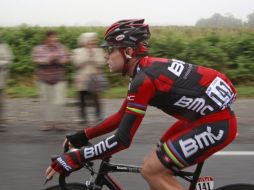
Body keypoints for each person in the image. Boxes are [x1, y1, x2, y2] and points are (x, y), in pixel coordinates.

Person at [45, 19, 237, 190]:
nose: (105, 56)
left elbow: (122, 139)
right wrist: (82, 136)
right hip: (200, 119)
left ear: (128, 52)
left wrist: (77, 157)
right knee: (151, 165)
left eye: (110, 49)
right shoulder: (143, 71)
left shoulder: (144, 79)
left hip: (215, 124)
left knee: (152, 171)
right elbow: (121, 117)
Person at [32, 30, 70, 131]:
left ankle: (59, 122)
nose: (55, 39)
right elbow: (35, 59)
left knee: (60, 101)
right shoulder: (39, 49)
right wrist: (48, 59)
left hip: (59, 78)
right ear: (47, 38)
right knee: (46, 101)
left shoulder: (62, 48)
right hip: (44, 78)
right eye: (53, 37)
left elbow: (67, 59)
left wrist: (59, 59)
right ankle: (48, 123)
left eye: (56, 37)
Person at [71, 32, 105, 124]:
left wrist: (93, 57)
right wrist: (87, 56)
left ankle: (98, 115)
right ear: (85, 42)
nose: (92, 43)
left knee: (96, 98)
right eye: (90, 41)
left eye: (93, 41)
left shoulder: (98, 51)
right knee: (81, 99)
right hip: (82, 79)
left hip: (94, 78)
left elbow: (102, 62)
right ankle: (82, 117)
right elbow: (76, 63)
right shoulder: (77, 51)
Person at [0, 39, 14, 132]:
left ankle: (1, 122)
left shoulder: (3, 47)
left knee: (1, 102)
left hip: (1, 79)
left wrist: (2, 63)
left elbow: (9, 59)